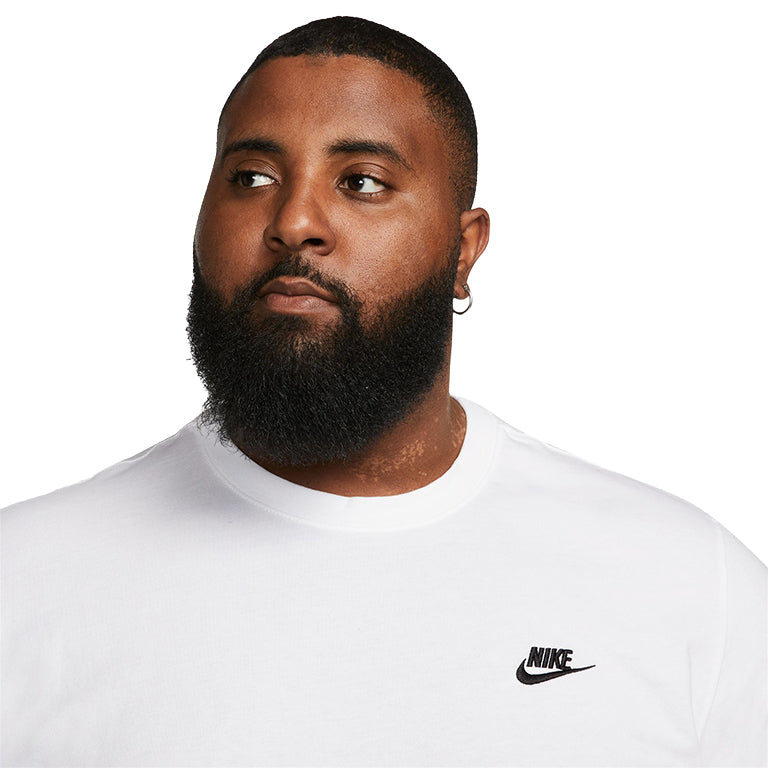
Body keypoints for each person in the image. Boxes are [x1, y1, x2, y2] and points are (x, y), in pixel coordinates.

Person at [1, 15, 765, 767]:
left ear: (462, 251)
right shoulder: (25, 582)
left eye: (361, 182)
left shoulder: (688, 586)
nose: (294, 221)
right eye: (252, 177)